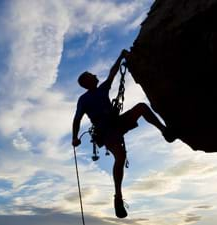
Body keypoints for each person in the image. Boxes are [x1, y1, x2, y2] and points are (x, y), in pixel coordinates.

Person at [72, 49, 176, 218]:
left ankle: (165, 131)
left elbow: (113, 73)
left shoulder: (102, 89)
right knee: (120, 156)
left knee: (141, 107)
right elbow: (76, 119)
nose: (95, 75)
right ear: (87, 81)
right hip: (105, 131)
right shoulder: (84, 100)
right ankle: (118, 197)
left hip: (115, 122)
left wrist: (120, 57)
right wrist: (74, 138)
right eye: (92, 75)